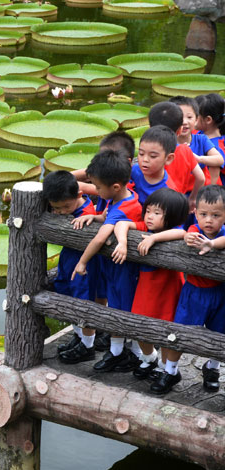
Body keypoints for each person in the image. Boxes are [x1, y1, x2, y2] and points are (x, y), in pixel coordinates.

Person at [63, 151, 141, 369]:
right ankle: (120, 352)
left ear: (114, 187)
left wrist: (82, 262)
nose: (95, 191)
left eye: (97, 187)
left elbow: (99, 238)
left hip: (123, 271)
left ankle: (135, 356)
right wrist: (93, 216)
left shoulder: (122, 207)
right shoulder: (124, 198)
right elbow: (106, 218)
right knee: (117, 306)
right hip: (116, 268)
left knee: (120, 309)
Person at [111, 188, 188, 382]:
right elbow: (121, 223)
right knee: (139, 323)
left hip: (167, 289)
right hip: (146, 288)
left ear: (172, 216)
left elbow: (182, 233)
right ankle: (149, 357)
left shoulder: (174, 232)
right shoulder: (145, 229)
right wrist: (122, 242)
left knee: (166, 329)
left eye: (157, 213)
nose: (149, 217)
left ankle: (165, 367)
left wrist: (154, 238)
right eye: (148, 211)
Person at [166, 185, 225, 393]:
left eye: (216, 215)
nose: (209, 220)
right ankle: (171, 371)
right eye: (204, 214)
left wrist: (213, 244)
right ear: (196, 213)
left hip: (220, 294)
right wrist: (187, 238)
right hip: (194, 292)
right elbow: (187, 235)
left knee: (220, 334)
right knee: (181, 332)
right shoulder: (195, 231)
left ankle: (212, 368)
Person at [43, 171, 99, 360]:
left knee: (82, 302)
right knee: (66, 292)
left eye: (65, 207)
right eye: (55, 209)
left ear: (79, 195)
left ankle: (88, 346)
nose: (61, 212)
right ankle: (79, 336)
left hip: (84, 265)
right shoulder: (66, 205)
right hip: (69, 259)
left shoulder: (87, 214)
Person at [147, 101, 205, 210]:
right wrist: (192, 198)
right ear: (179, 130)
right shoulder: (185, 150)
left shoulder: (149, 152)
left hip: (152, 206)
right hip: (178, 204)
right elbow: (201, 178)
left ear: (150, 127)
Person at [169, 96, 224, 187]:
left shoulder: (201, 139)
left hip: (198, 190)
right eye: (180, 117)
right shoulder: (167, 142)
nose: (184, 122)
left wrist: (197, 158)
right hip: (175, 190)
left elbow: (219, 160)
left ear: (196, 120)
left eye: (189, 117)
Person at [129, 125, 179, 206]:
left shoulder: (168, 192)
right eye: (141, 153)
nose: (145, 159)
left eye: (152, 156)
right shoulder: (134, 170)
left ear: (168, 158)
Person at [194, 93, 225, 186]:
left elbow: (212, 184)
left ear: (208, 120)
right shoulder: (200, 132)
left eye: (193, 116)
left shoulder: (217, 149)